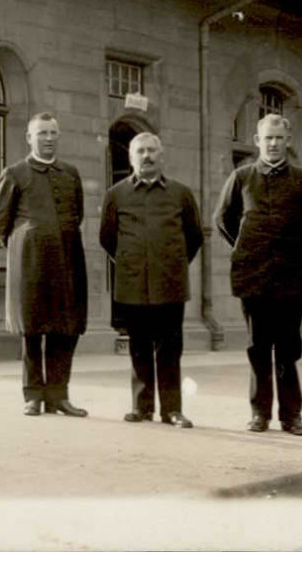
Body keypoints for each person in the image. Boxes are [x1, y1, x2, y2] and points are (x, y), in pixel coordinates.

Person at [212, 113, 302, 436]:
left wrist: (297, 249)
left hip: (292, 278)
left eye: (279, 138)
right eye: (268, 138)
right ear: (257, 141)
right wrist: (247, 248)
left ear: (288, 141)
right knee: (258, 346)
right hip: (254, 277)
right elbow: (223, 219)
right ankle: (259, 413)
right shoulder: (241, 177)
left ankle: (291, 416)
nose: (274, 144)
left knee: (288, 347)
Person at [0, 112, 89, 417]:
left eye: (52, 133)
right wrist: (23, 245)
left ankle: (59, 395)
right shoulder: (15, 173)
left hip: (68, 261)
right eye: (41, 133)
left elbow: (78, 215)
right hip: (30, 264)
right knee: (32, 331)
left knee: (65, 328)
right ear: (29, 138)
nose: (47, 139)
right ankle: (32, 395)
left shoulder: (70, 173)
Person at [99, 132, 203, 427]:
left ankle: (172, 410)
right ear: (131, 158)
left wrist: (171, 264)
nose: (146, 156)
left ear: (162, 155)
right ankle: (141, 407)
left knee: (170, 348)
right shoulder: (116, 195)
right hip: (132, 284)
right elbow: (107, 238)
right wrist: (133, 264)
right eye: (140, 151)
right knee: (138, 346)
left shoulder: (181, 193)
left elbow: (194, 237)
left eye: (152, 151)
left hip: (170, 283)